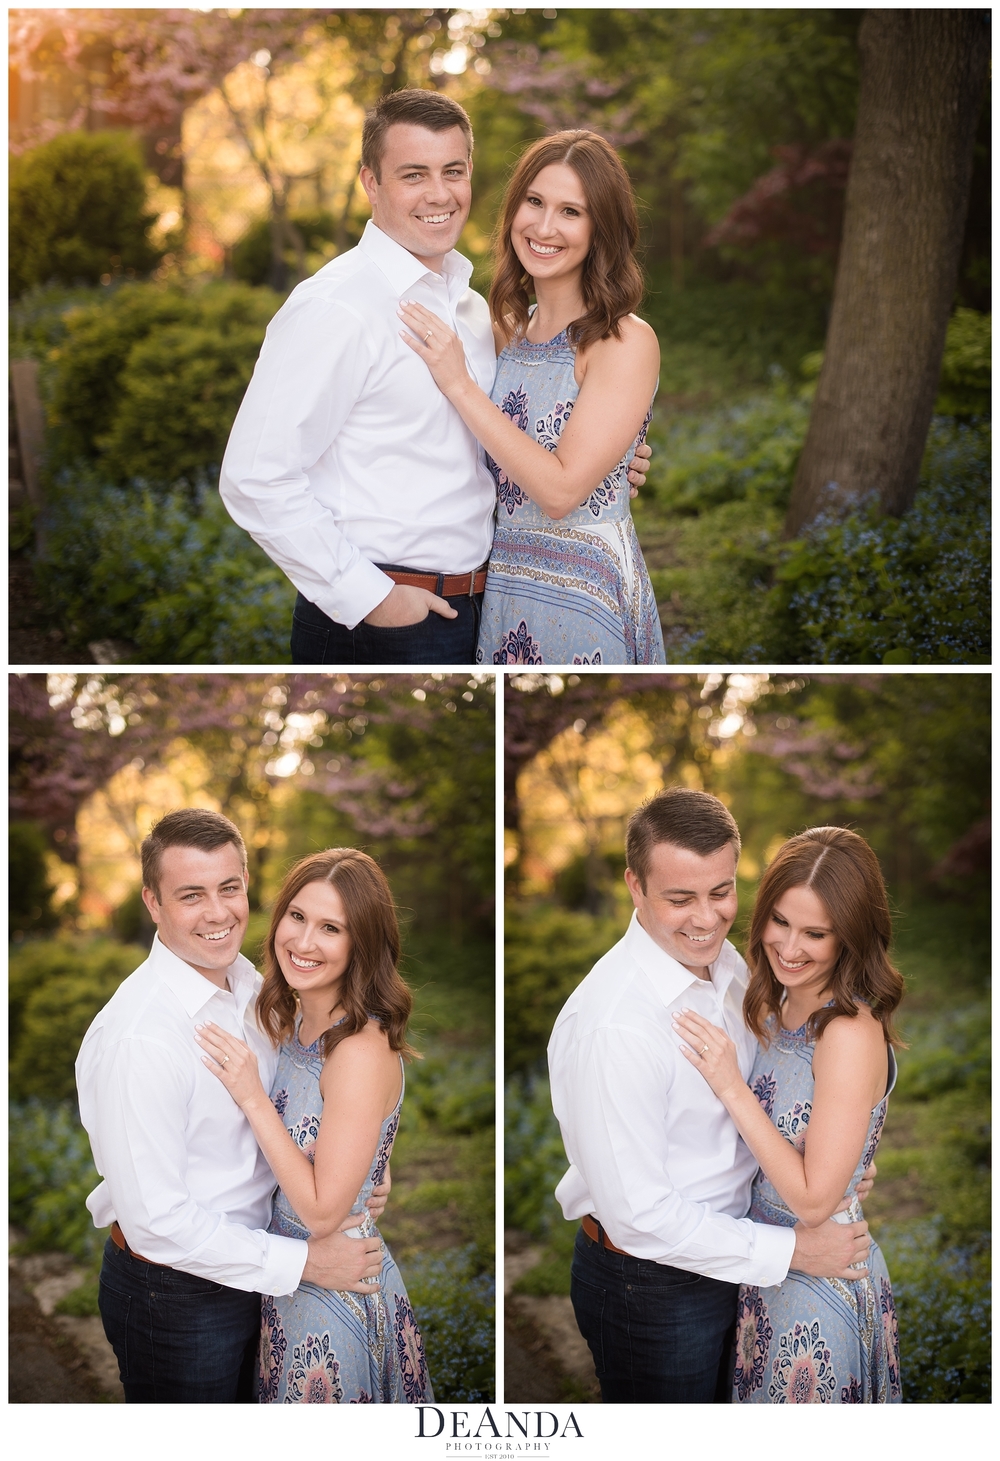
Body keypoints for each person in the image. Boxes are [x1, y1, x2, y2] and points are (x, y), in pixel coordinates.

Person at [219, 90, 650, 666]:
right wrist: (370, 598)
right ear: (371, 183)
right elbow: (254, 476)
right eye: (413, 174)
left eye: (453, 171)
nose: (439, 194)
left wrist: (615, 464)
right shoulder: (337, 305)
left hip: (486, 607)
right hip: (385, 620)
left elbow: (517, 443)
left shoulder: (474, 313)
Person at [547, 788, 875, 1404]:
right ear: (634, 886)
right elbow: (641, 1216)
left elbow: (771, 1102)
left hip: (747, 1263)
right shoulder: (614, 1026)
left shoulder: (731, 968)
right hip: (654, 1286)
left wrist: (834, 1160)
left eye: (720, 892)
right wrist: (795, 1249)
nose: (706, 918)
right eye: (680, 898)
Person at [76, 809, 387, 1404]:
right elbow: (159, 1223)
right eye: (191, 895)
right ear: (153, 902)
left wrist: (358, 1163)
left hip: (260, 1273)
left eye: (230, 888)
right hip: (178, 1296)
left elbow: (304, 1094)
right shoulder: (140, 1037)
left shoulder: (246, 981)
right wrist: (304, 1264)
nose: (217, 913)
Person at [399, 130, 666, 666]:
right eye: (535, 202)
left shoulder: (624, 339)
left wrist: (459, 385)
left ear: (602, 229)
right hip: (502, 584)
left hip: (584, 590)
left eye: (572, 211)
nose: (544, 228)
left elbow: (562, 491)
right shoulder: (504, 331)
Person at [192, 847, 433, 1404]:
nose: (303, 942)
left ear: (362, 945)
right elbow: (330, 1121)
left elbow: (324, 1212)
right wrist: (375, 1158)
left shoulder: (358, 1050)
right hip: (285, 1276)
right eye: (296, 917)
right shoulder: (294, 1016)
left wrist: (252, 1095)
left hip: (333, 1293)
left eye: (331, 928)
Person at [673, 826, 903, 1403]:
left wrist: (731, 1084)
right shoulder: (769, 999)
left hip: (819, 1285)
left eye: (816, 933)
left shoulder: (848, 1031)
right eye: (780, 922)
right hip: (759, 1264)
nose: (791, 947)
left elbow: (813, 1200)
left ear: (849, 937)